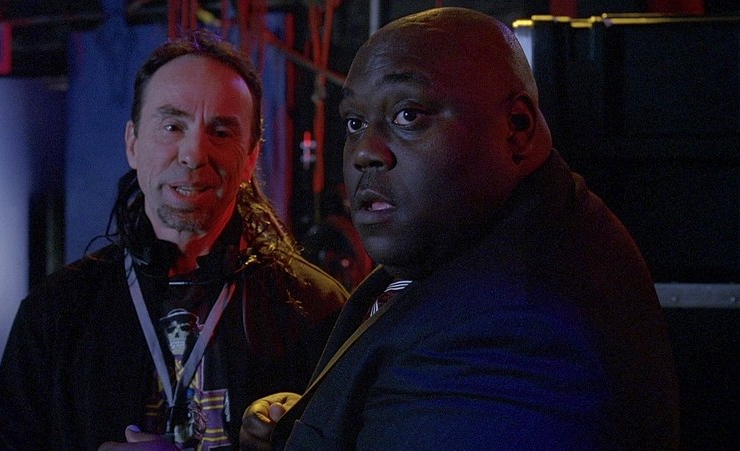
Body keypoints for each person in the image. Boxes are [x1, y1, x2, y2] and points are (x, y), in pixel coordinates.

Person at [240, 7, 679, 450]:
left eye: (408, 115)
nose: (364, 152)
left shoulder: (515, 332)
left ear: (517, 128)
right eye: (355, 122)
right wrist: (312, 423)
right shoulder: (482, 239)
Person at [0, 30, 346, 450]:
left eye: (221, 132)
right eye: (172, 125)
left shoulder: (314, 309)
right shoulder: (56, 312)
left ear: (251, 157)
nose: (193, 154)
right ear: (133, 144)